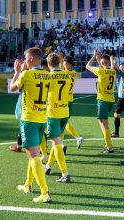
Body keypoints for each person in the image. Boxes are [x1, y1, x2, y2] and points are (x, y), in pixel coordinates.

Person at [10, 47, 52, 203]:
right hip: (42, 119)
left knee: (33, 155)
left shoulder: (26, 74)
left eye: (26, 58)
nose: (24, 60)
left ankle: (45, 192)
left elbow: (12, 88)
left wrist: (17, 72)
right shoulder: (47, 75)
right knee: (31, 153)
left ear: (33, 59)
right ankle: (28, 185)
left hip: (29, 119)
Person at [44, 53, 71, 183]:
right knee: (57, 142)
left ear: (49, 64)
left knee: (56, 143)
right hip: (65, 111)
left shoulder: (48, 76)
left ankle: (65, 174)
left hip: (53, 113)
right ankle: (48, 166)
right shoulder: (67, 74)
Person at [86, 49, 116, 153]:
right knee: (102, 121)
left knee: (104, 123)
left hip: (103, 100)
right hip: (111, 100)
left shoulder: (100, 71)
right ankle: (107, 143)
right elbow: (107, 67)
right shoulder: (113, 71)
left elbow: (87, 66)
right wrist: (102, 60)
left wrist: (94, 56)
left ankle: (109, 146)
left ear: (102, 62)